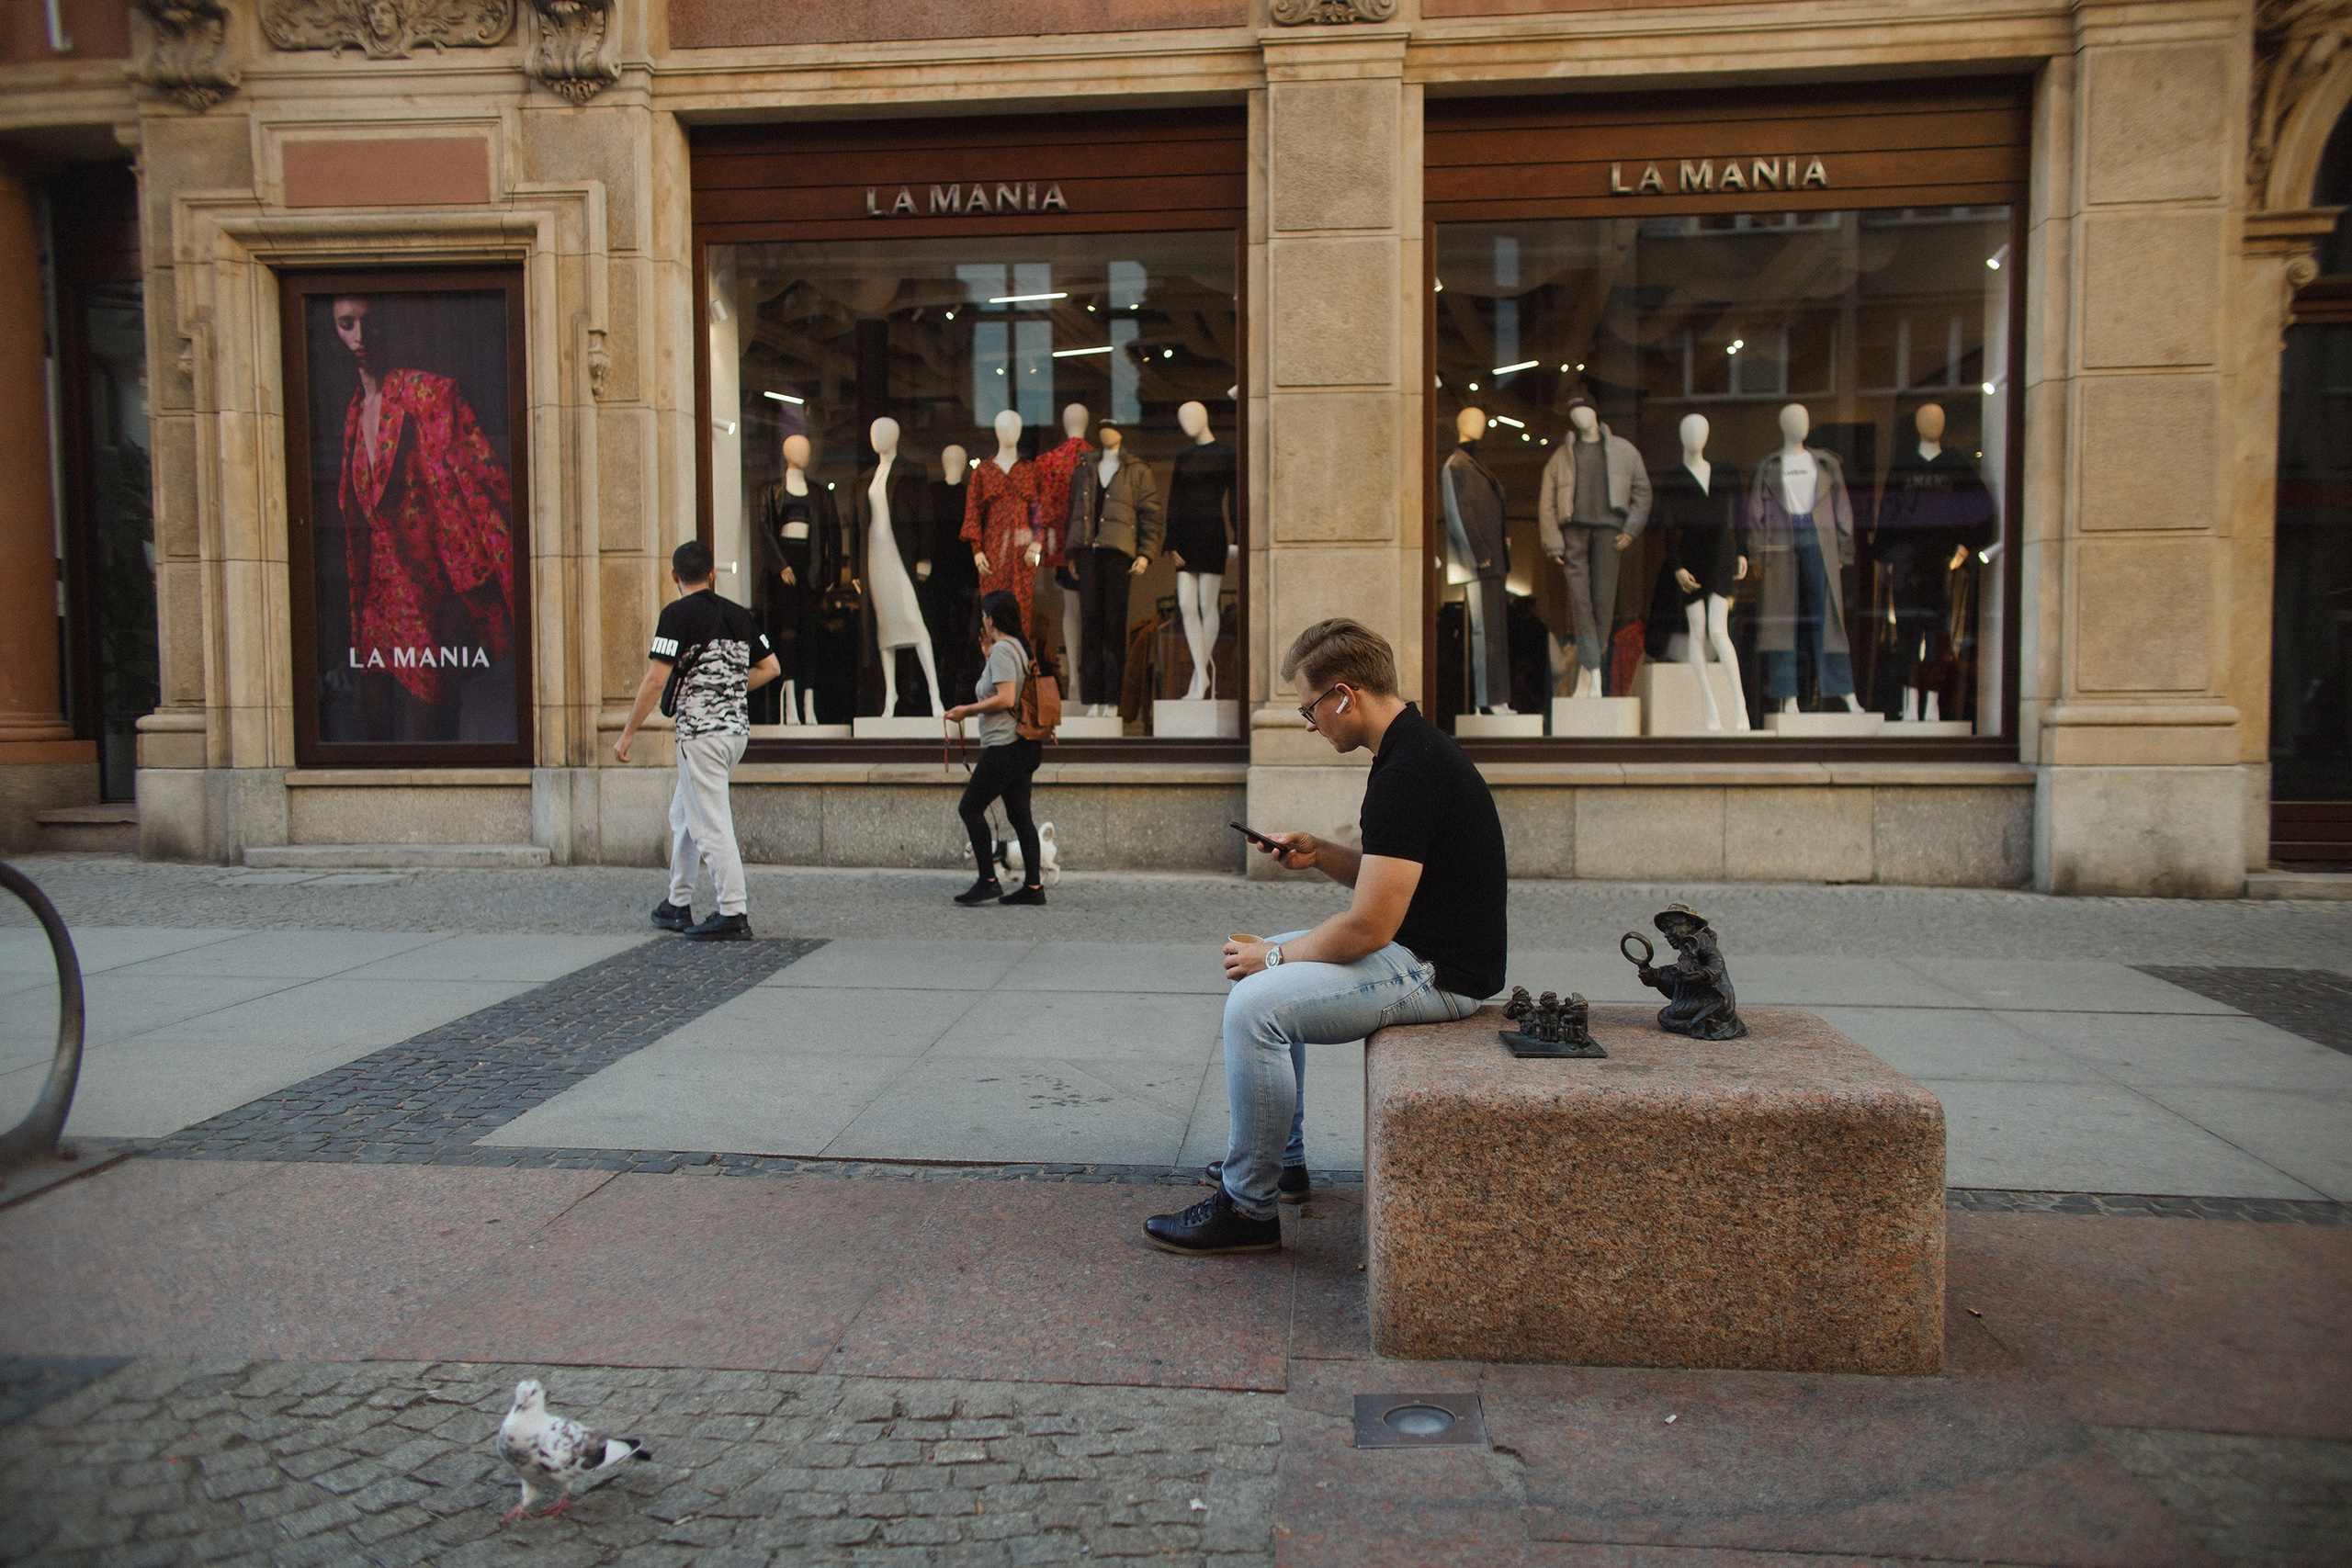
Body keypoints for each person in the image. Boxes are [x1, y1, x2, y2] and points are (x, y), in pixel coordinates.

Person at [1145, 618, 1509, 1255]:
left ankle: (1247, 1208)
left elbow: (1370, 926)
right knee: (1267, 978)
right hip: (1426, 953)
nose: (1309, 723)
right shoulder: (1411, 749)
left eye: (1310, 707)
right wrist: (1320, 854)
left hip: (1438, 975)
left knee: (1257, 1003)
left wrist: (1274, 955)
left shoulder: (1406, 773)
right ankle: (1282, 1164)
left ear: (1345, 694)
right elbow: (1388, 882)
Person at [330, 294, 514, 742]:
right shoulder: (354, 412)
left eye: (368, 324)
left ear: (385, 326)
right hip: (373, 592)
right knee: (375, 715)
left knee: (433, 720)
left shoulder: (428, 394)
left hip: (426, 586)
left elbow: (481, 486)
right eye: (347, 324)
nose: (359, 337)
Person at [615, 539, 780, 940]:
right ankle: (677, 901)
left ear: (675, 576)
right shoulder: (740, 615)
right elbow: (771, 667)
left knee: (710, 824)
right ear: (712, 574)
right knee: (684, 816)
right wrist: (728, 690)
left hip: (701, 735)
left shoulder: (675, 615)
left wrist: (628, 733)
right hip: (735, 734)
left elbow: (656, 680)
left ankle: (733, 912)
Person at [943, 590, 1047, 908]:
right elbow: (1006, 687)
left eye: (985, 617)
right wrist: (989, 656)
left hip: (1006, 747)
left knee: (970, 808)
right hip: (1022, 746)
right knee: (1020, 817)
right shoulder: (1013, 647)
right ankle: (1033, 886)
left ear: (991, 619)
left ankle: (988, 881)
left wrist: (966, 710)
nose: (983, 621)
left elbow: (1005, 698)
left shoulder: (1005, 649)